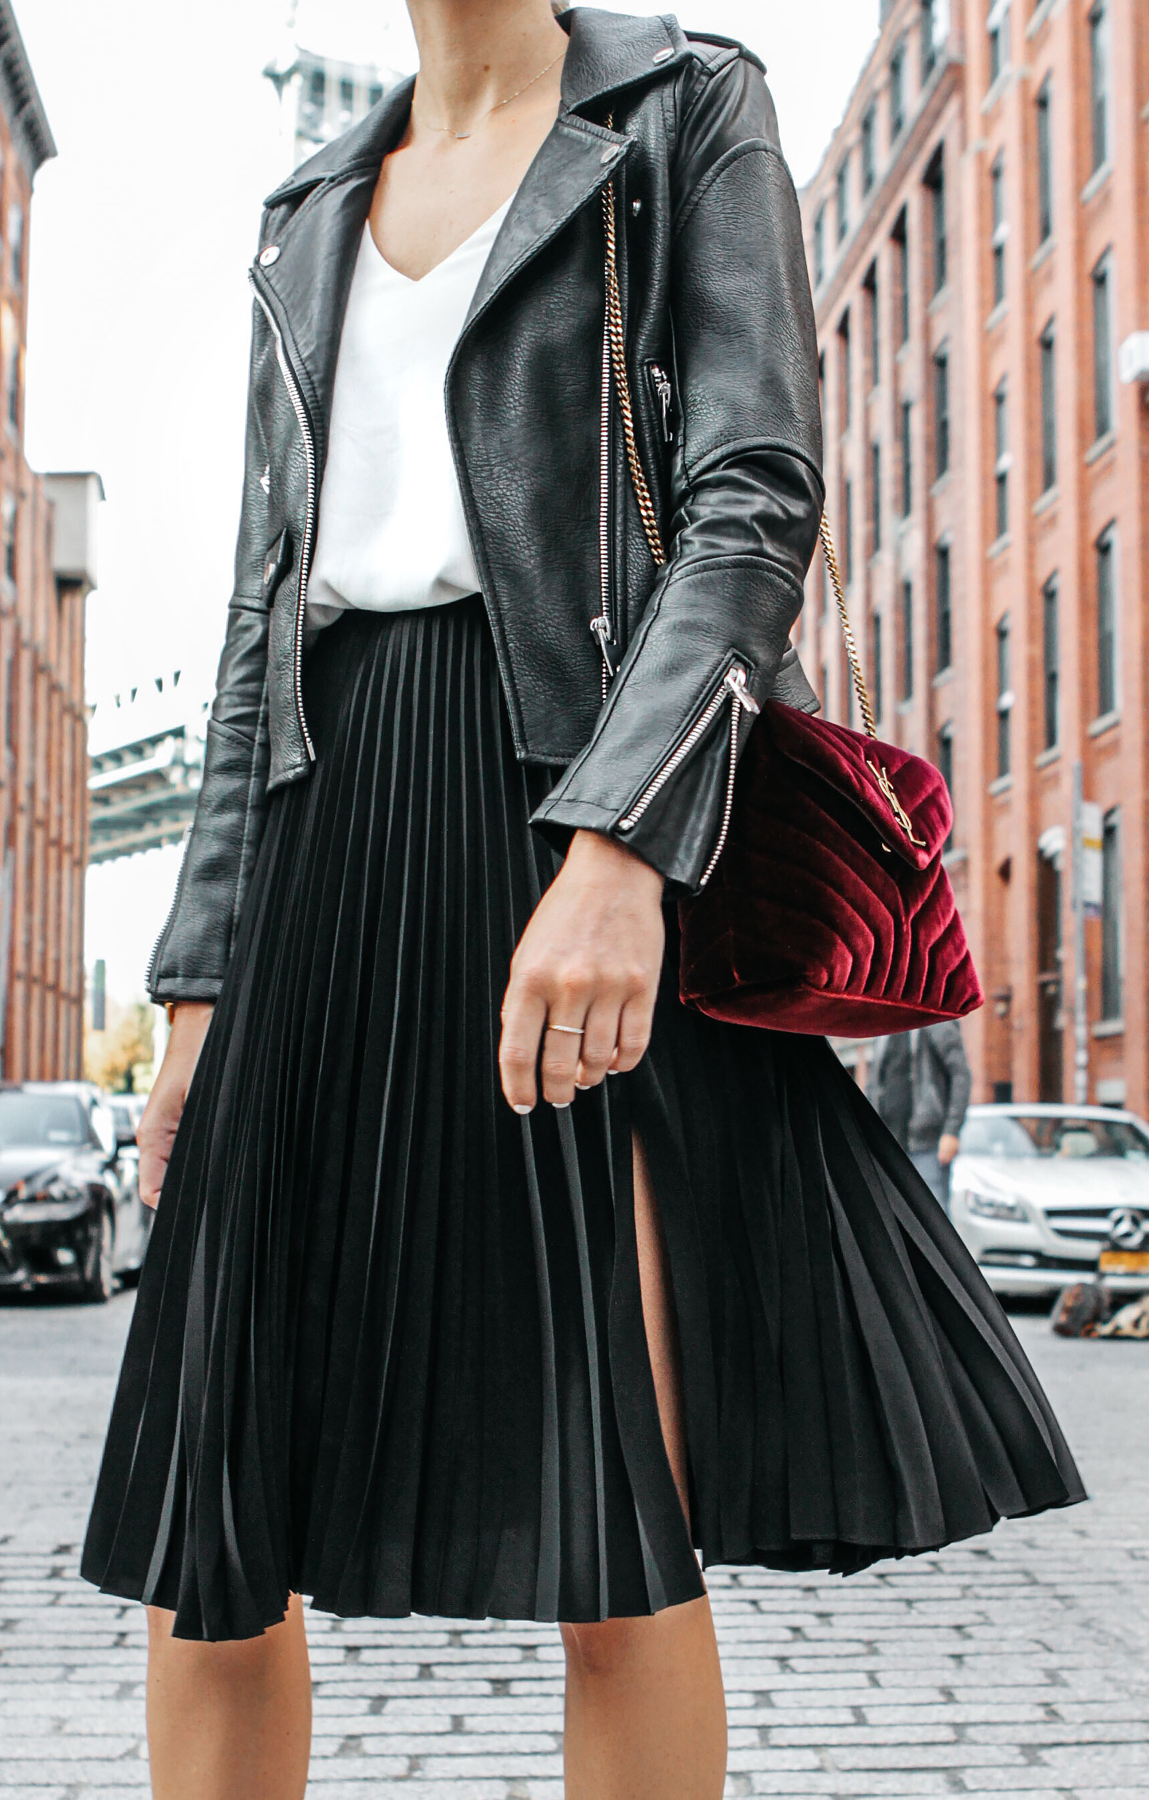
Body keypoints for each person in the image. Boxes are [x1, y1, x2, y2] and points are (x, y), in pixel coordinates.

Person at [81, 7, 1083, 1797]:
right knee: (206, 1547)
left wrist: (618, 847)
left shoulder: (686, 110)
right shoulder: (307, 205)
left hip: (568, 807)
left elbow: (751, 498)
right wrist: (196, 989)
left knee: (612, 1523)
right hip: (320, 848)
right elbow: (258, 621)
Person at [871, 1023, 972, 1212]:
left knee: (932, 1217)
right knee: (891, 1215)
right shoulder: (883, 1029)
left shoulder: (937, 1024)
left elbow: (961, 1075)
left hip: (927, 1146)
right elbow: (875, 1084)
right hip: (887, 1145)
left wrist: (951, 1131)